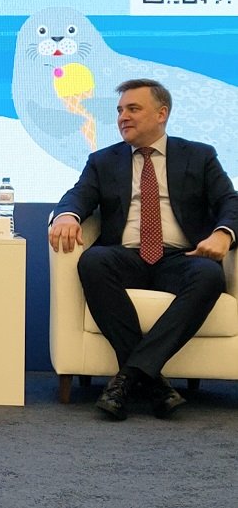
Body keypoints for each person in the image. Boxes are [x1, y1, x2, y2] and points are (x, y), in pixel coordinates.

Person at [49, 78, 238, 420]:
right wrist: (67, 215)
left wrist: (223, 234)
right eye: (120, 110)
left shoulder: (199, 155)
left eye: (133, 109)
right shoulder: (103, 160)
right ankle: (153, 383)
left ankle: (128, 378)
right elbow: (78, 195)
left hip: (181, 257)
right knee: (92, 262)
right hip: (127, 256)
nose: (123, 117)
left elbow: (230, 201)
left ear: (161, 113)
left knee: (209, 275)